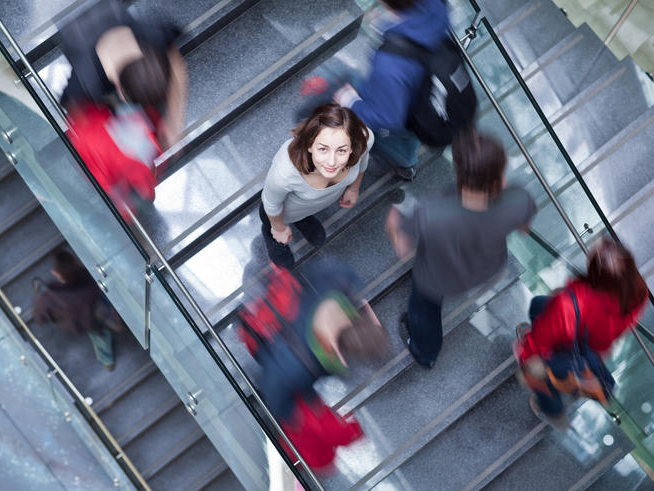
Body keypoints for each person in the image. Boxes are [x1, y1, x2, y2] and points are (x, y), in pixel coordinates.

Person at [385, 128, 537, 368]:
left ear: (460, 173)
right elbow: (524, 227)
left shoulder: (433, 212)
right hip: (487, 266)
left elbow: (404, 249)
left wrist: (394, 222)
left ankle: (425, 352)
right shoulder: (517, 198)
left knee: (424, 309)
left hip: (436, 277)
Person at [242, 257, 388, 471]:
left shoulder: (339, 283)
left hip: (270, 297)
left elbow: (324, 266)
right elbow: (272, 389)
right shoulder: (306, 367)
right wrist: (300, 410)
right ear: (343, 353)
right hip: (268, 341)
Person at [515, 239, 648, 430]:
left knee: (534, 367)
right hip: (592, 340)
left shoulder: (570, 302)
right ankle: (584, 373)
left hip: (573, 331)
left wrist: (526, 351)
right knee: (539, 305)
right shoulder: (638, 294)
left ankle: (552, 410)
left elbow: (530, 353)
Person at [334, 0, 449, 181]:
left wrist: (350, 101)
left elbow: (387, 120)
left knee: (385, 136)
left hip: (402, 107)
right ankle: (407, 155)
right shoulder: (435, 6)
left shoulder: (390, 63)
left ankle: (405, 162)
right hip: (423, 95)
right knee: (412, 131)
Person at [59, 0, 188, 148]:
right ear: (120, 91)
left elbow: (175, 61)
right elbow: (71, 106)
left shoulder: (150, 37)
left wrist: (174, 119)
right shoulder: (88, 82)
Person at [261, 104, 374, 269]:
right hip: (283, 214)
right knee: (270, 227)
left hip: (308, 207)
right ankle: (273, 239)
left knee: (305, 212)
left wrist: (354, 187)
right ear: (309, 144)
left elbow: (363, 159)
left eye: (341, 151)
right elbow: (271, 204)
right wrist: (278, 229)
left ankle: (303, 220)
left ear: (352, 147)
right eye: (323, 149)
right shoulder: (285, 173)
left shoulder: (365, 138)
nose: (331, 162)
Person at [33, 251, 124, 370]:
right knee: (100, 334)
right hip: (95, 312)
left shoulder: (50, 298)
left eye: (55, 271)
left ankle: (108, 361)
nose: (52, 272)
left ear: (58, 274)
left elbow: (40, 319)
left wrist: (44, 297)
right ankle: (107, 360)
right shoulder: (86, 280)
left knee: (99, 336)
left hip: (82, 322)